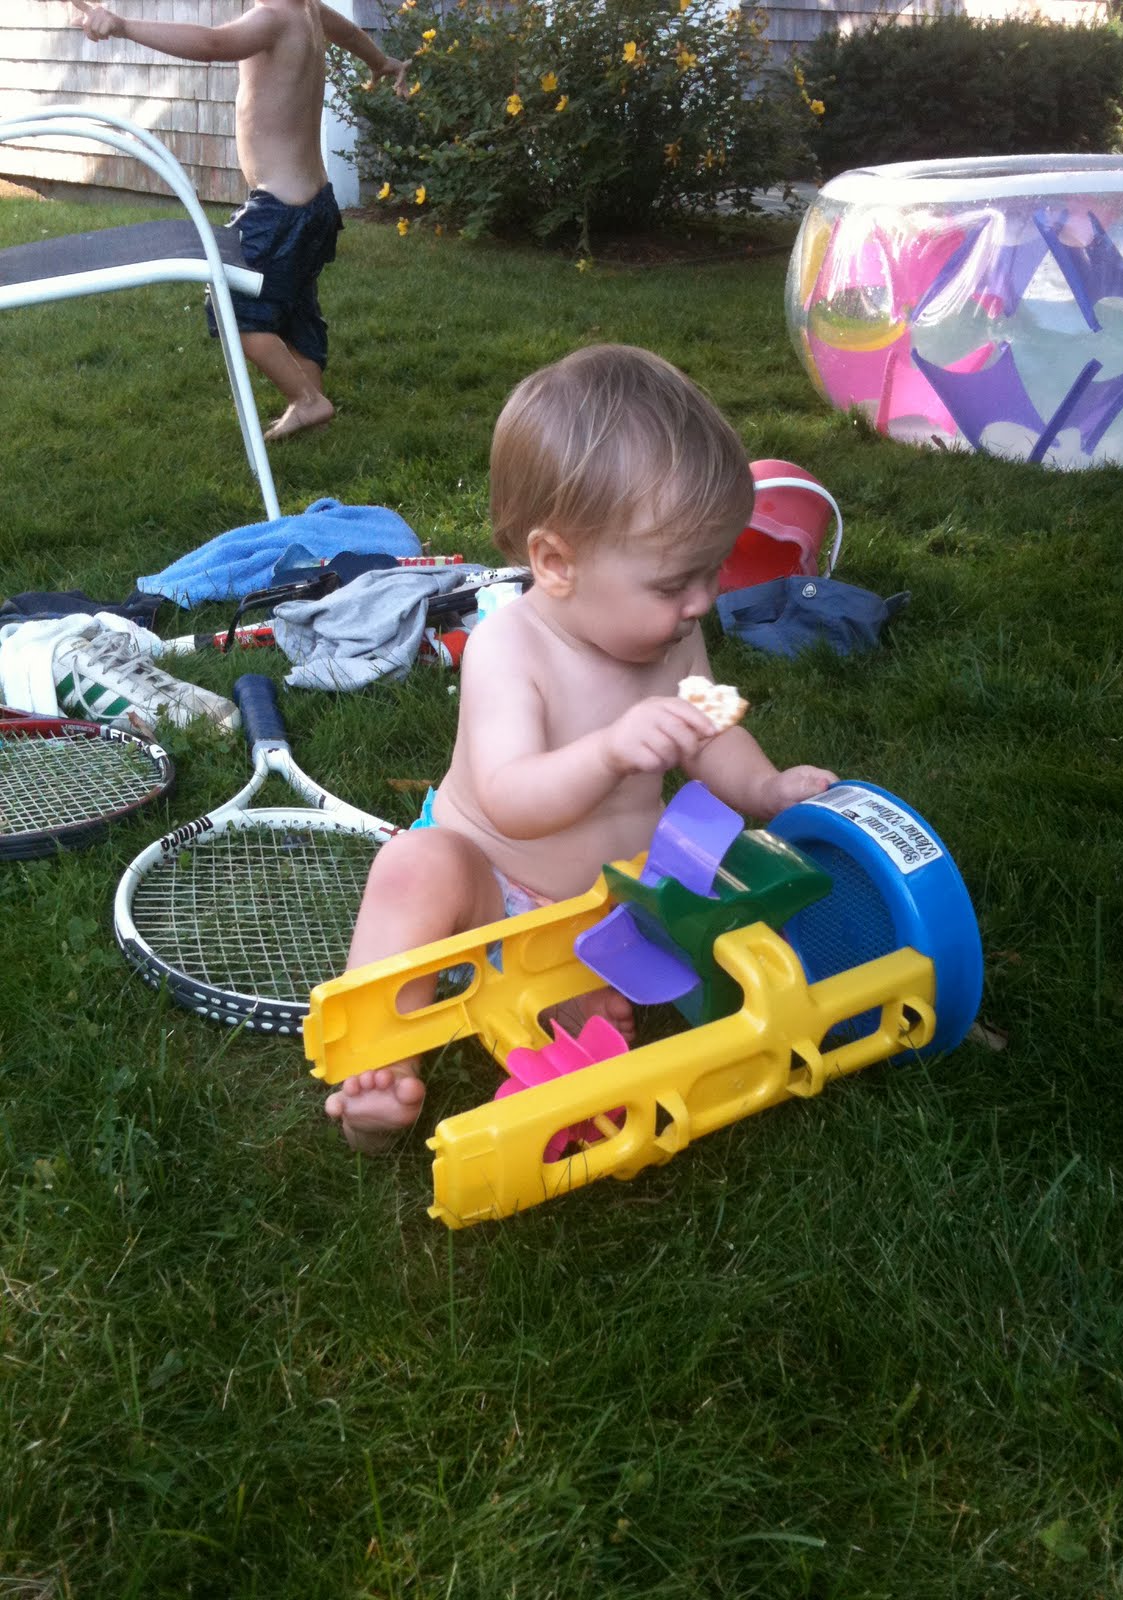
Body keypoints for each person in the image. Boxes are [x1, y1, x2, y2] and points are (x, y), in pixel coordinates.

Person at [325, 343, 839, 1151]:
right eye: (674, 583)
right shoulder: (509, 650)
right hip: (494, 887)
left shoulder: (677, 639)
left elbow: (715, 731)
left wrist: (765, 788)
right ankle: (376, 1072)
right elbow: (511, 801)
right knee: (414, 866)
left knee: (649, 955)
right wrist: (609, 752)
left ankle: (569, 991)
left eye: (711, 572)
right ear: (555, 562)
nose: (703, 602)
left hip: (613, 902)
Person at [72, 0, 409, 441]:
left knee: (233, 307)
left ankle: (307, 401)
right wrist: (380, 62)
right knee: (295, 305)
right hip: (316, 204)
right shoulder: (307, 11)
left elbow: (212, 44)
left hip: (278, 211)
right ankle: (312, 406)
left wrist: (122, 25)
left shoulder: (270, 18)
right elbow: (347, 33)